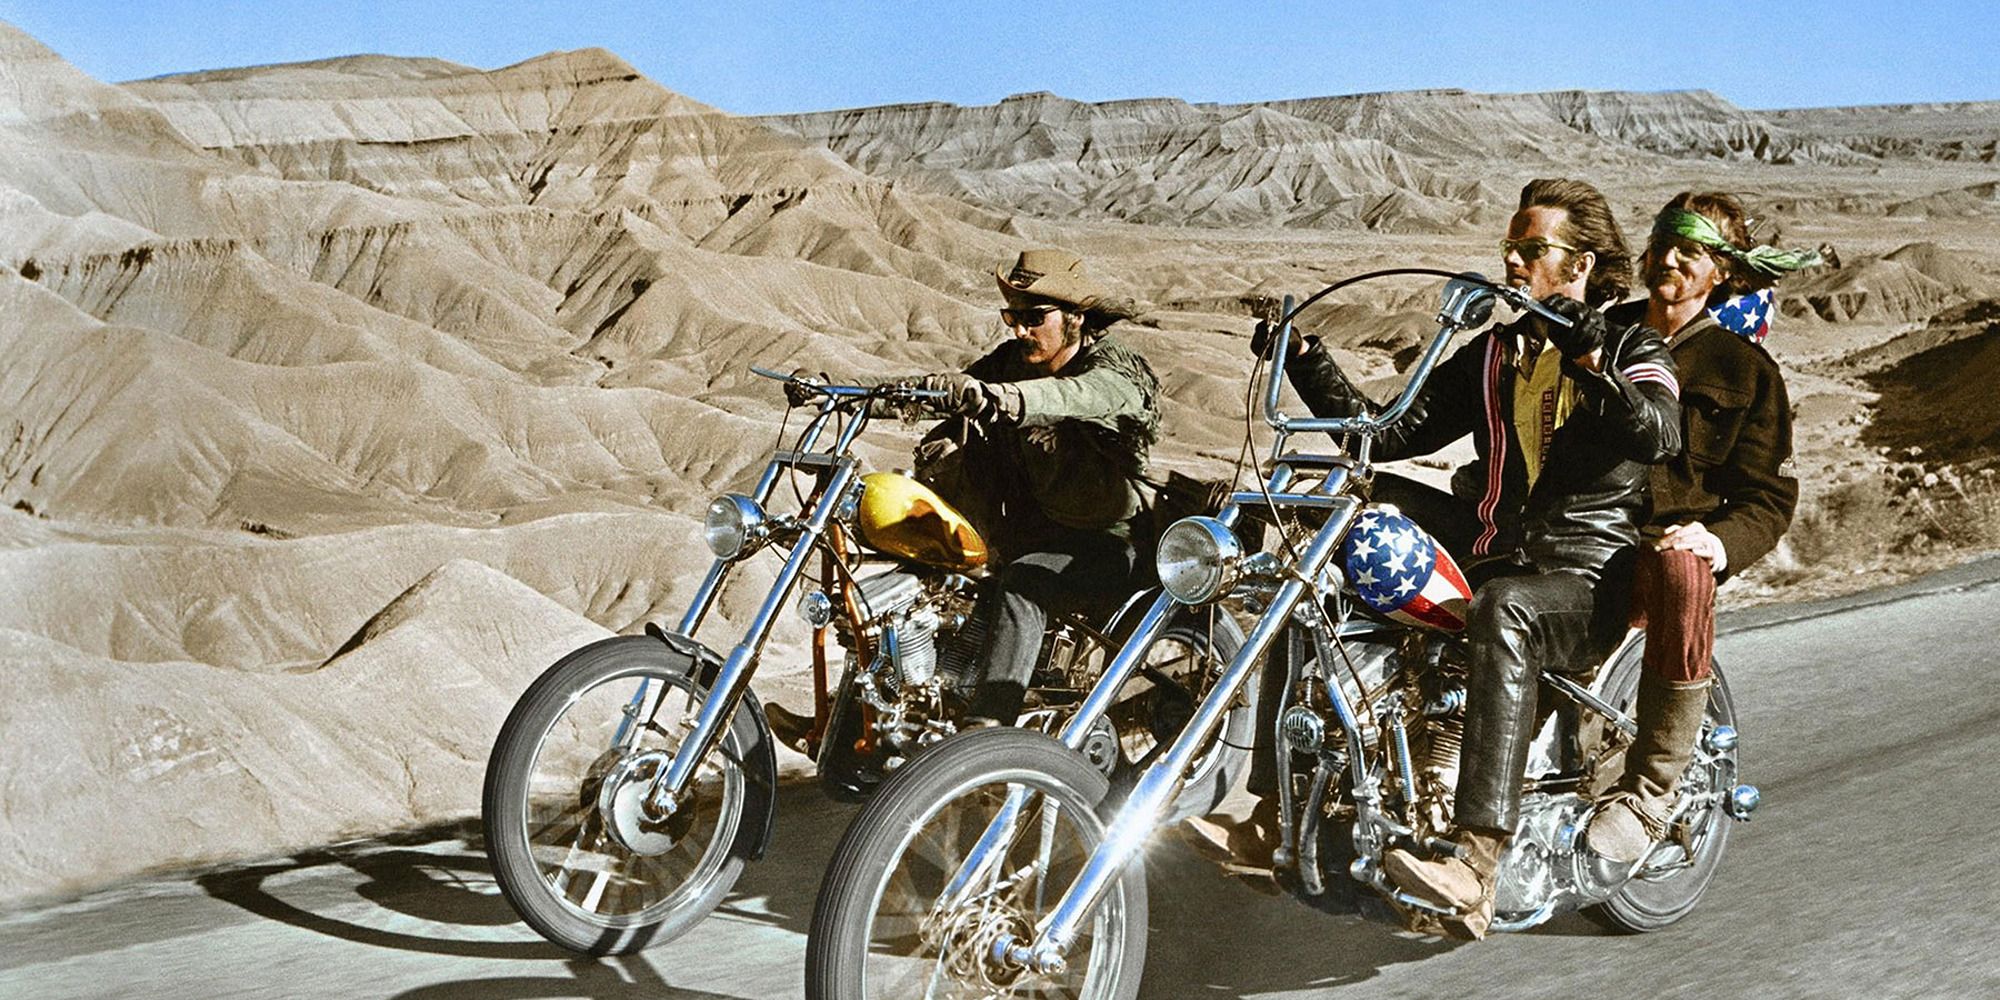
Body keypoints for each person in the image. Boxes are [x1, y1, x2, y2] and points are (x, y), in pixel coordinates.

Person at [1267, 179, 1683, 937]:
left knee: (1505, 607)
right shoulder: (1494, 354)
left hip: (1582, 577)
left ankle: (1476, 867)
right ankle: (1277, 805)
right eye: (1510, 251)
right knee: (1325, 506)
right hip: (1493, 550)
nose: (1514, 265)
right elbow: (1390, 432)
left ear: (1581, 264)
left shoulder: (1631, 345)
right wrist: (1303, 355)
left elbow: (1658, 431)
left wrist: (1591, 358)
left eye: (1533, 251)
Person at [1582, 193, 1815, 862]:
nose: (1673, 259)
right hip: (1579, 534)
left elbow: (1769, 495)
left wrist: (1716, 541)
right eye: (1665, 242)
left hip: (1659, 552)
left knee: (1685, 567)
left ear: (1724, 272)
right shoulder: (1601, 336)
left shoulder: (1746, 372)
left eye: (1695, 250)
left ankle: (1653, 791)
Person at [912, 248, 1163, 725]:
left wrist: (1002, 398)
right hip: (1034, 531)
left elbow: (1079, 395)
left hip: (1114, 544)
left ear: (1074, 316)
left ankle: (990, 728)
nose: (1020, 330)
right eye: (1013, 316)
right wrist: (850, 393)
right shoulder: (1013, 362)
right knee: (923, 563)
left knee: (1025, 584)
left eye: (1034, 318)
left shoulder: (1116, 369)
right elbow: (950, 389)